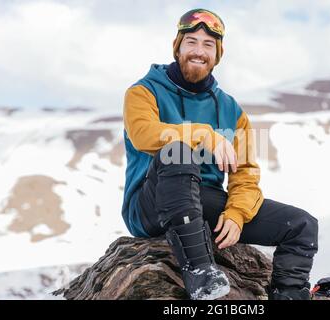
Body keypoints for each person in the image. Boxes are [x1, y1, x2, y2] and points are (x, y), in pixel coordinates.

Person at [122, 8, 318, 300]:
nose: (198, 51)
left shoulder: (231, 110)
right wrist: (204, 135)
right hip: (152, 202)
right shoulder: (143, 92)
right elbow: (143, 134)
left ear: (217, 54)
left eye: (207, 45)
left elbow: (245, 173)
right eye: (191, 42)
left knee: (302, 225)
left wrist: (237, 214)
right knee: (177, 153)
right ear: (178, 47)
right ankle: (201, 274)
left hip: (202, 201)